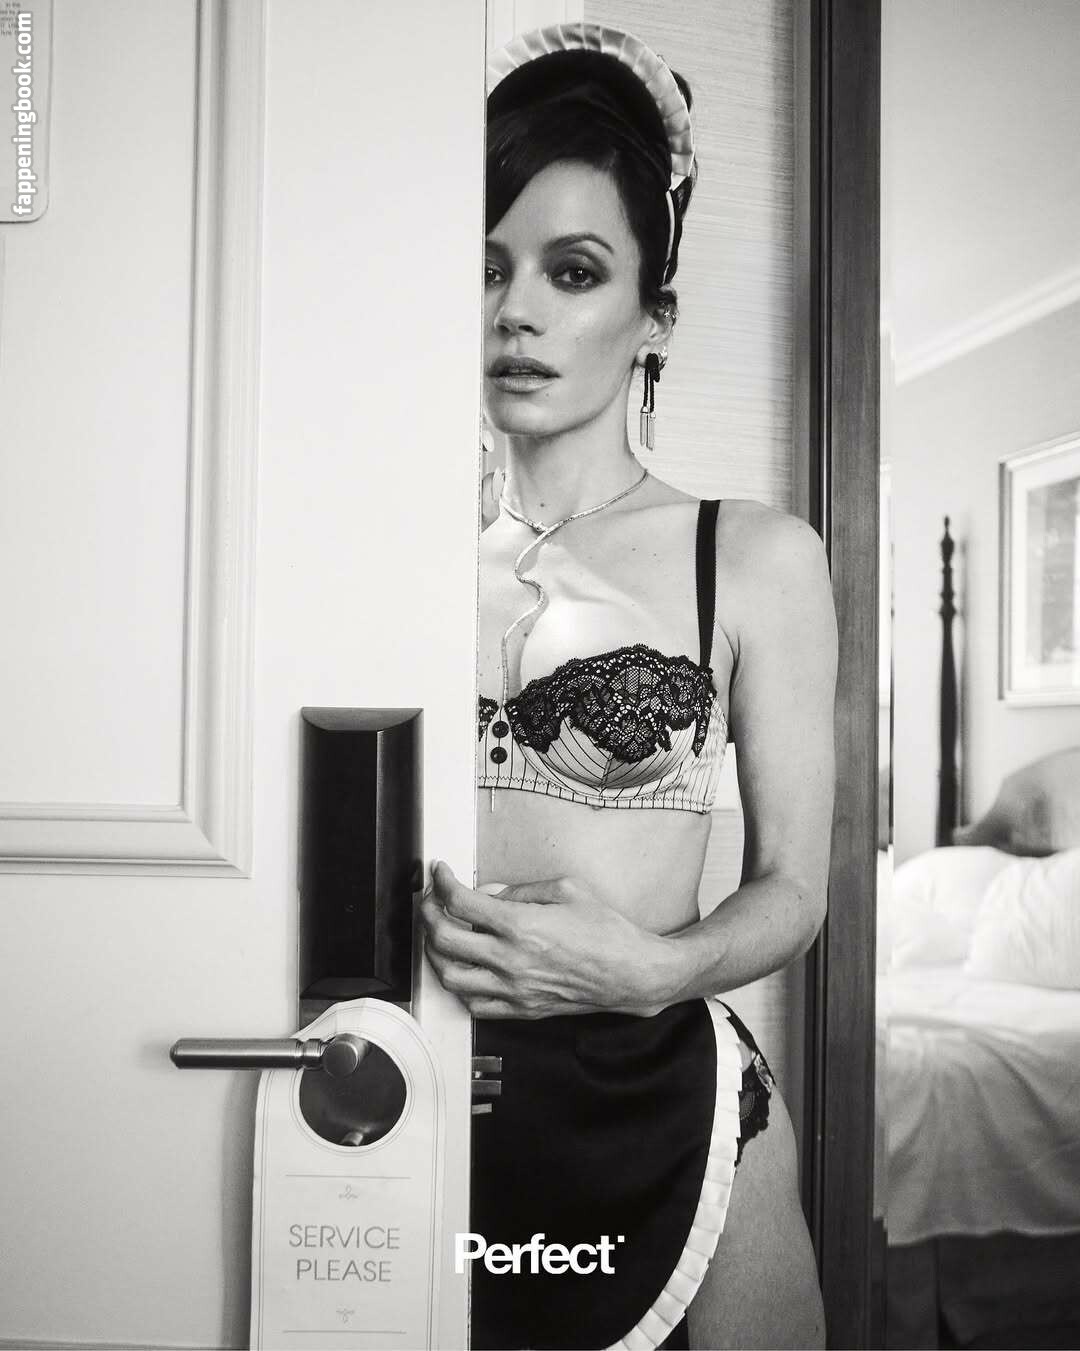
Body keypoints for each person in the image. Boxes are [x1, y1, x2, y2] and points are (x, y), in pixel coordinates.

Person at [421, 23, 836, 1350]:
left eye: (574, 270)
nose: (515, 311)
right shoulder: (386, 560)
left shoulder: (753, 559)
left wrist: (656, 968)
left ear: (655, 315)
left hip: (670, 1115)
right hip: (432, 1099)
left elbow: (796, 891)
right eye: (487, 267)